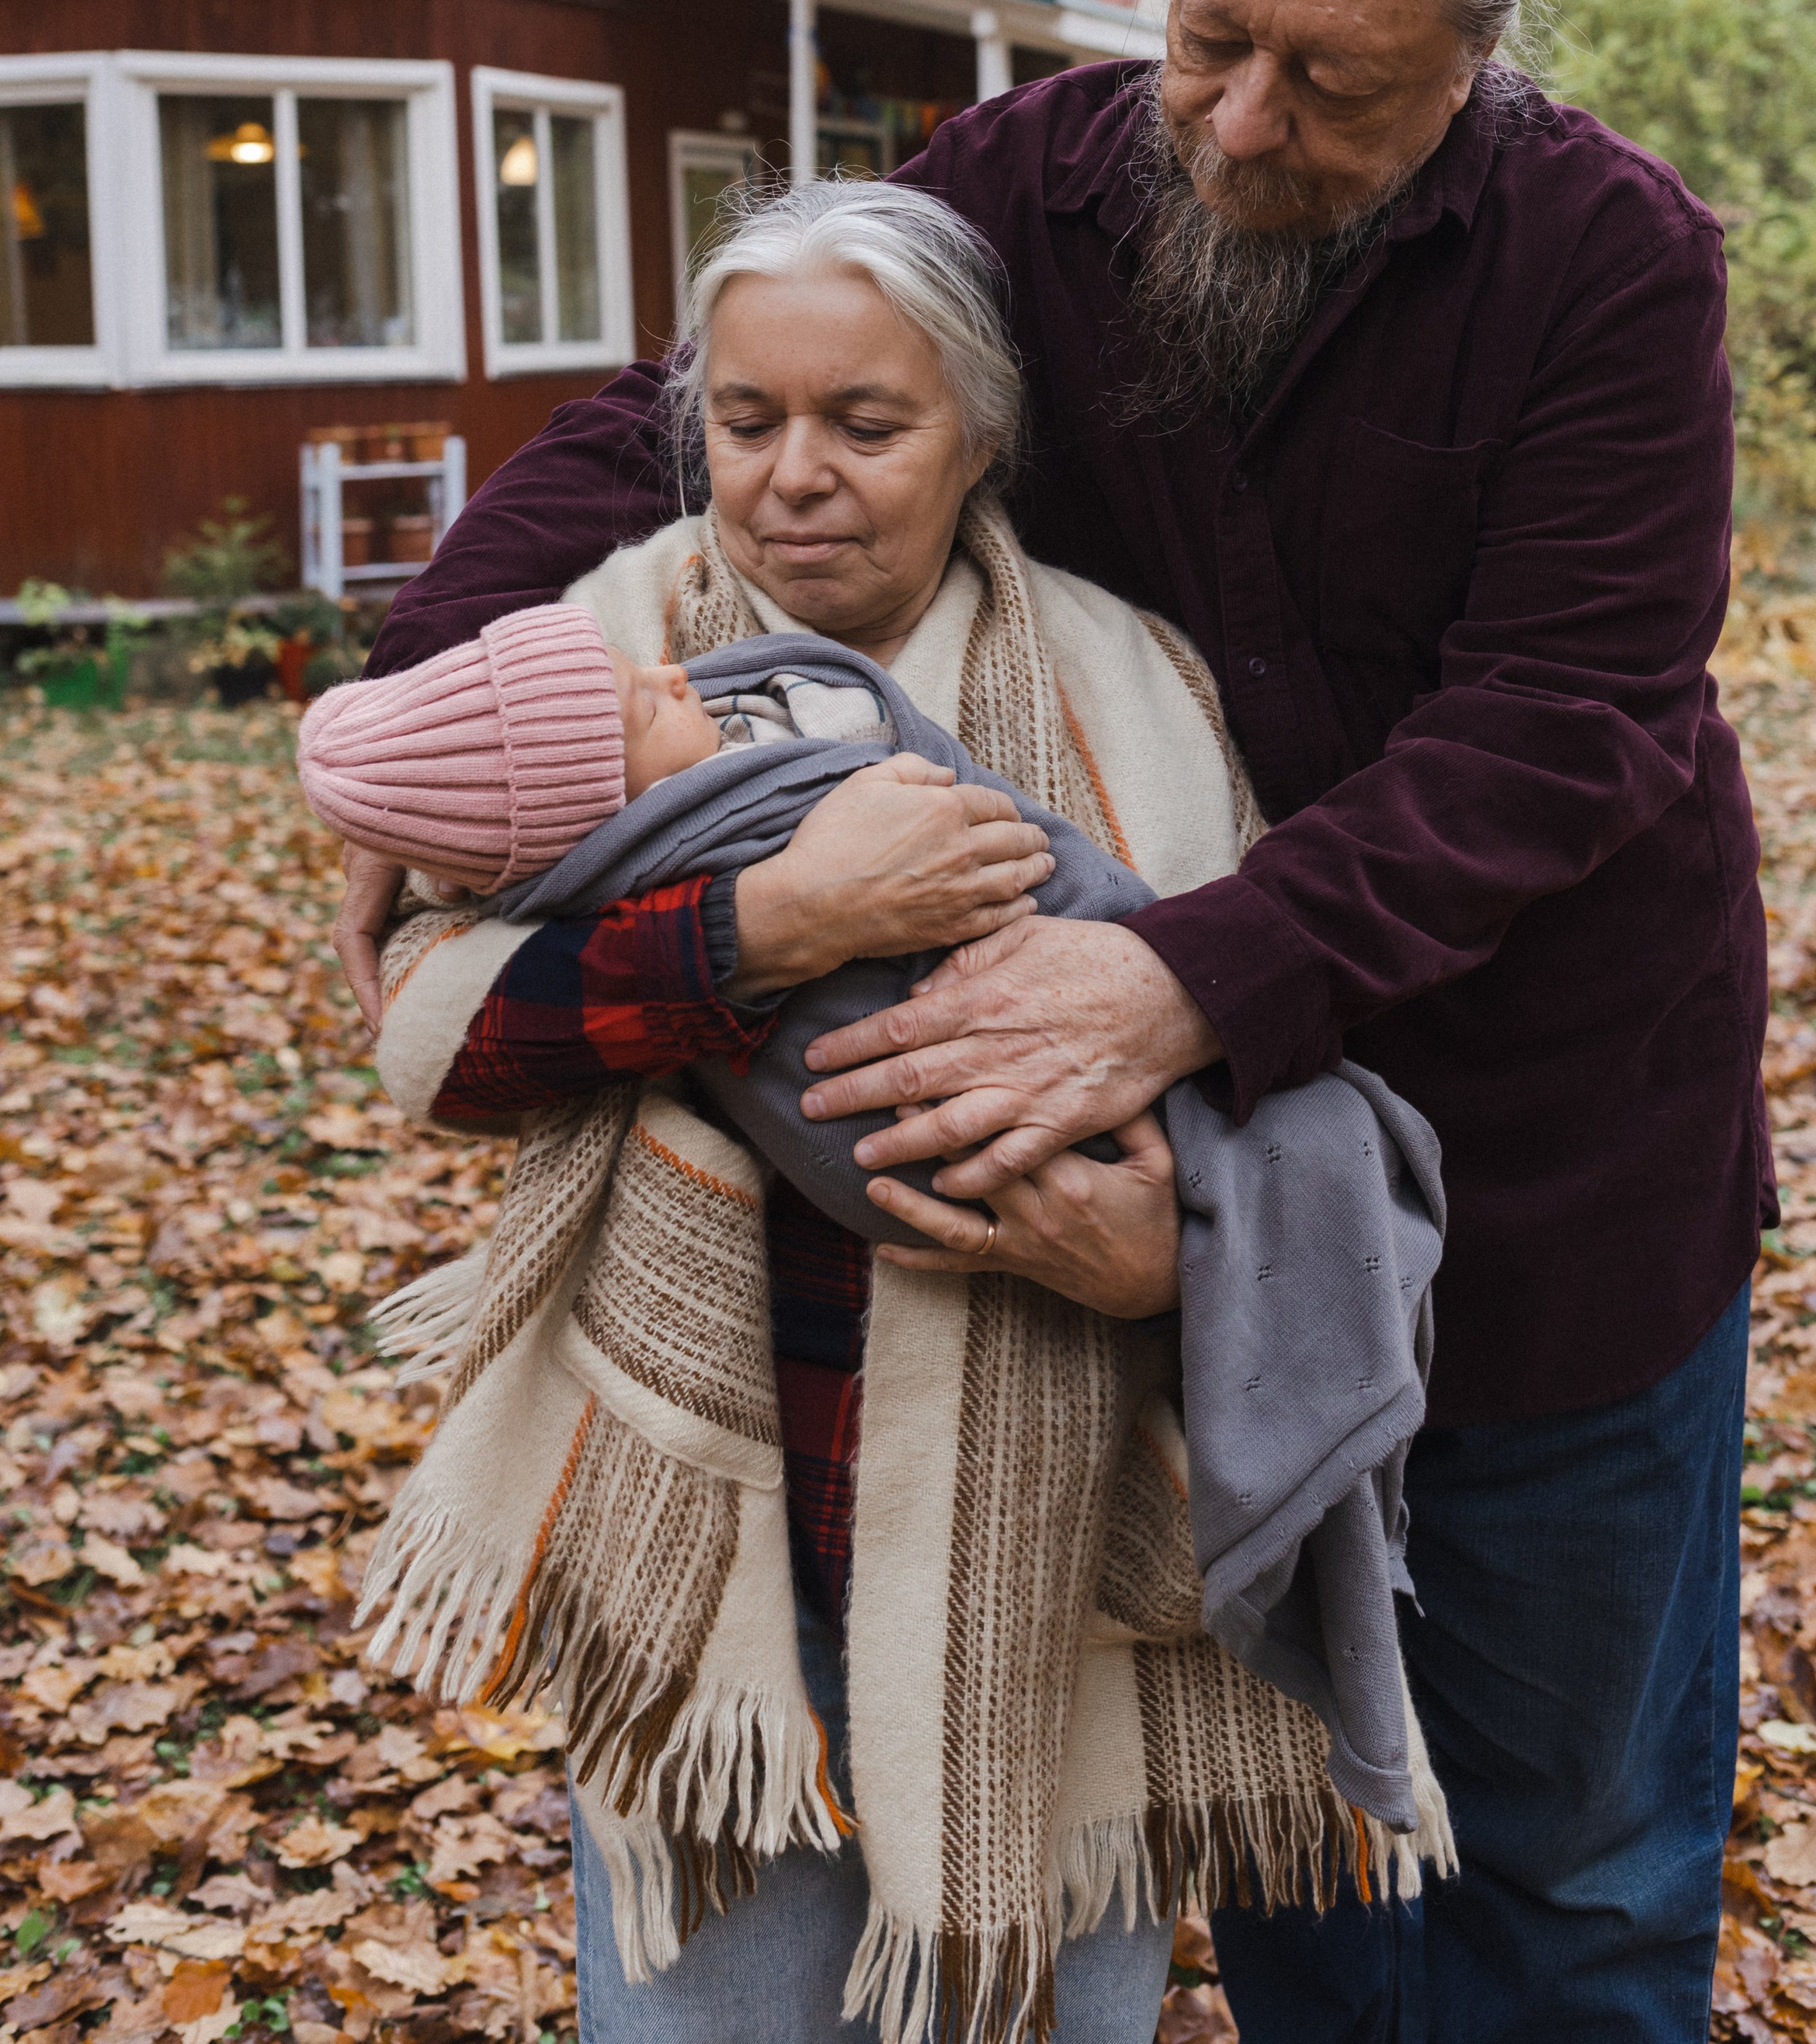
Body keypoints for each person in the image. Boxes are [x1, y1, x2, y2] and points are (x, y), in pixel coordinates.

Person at [349, 0, 1769, 2044]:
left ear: (1477, 64)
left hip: (1544, 1184)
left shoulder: (1607, 264)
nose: (1237, 126)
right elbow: (682, 407)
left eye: (1332, 83)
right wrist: (427, 722)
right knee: (1298, 1840)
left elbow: (1562, 727)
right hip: (1175, 1227)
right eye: (1210, 39)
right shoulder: (1030, 183)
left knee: (1571, 1865)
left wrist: (1170, 988)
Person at [346, 181, 1451, 2044]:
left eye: (868, 425)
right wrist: (771, 924)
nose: (796, 476)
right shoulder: (585, 662)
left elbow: (1267, 1097)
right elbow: (438, 1046)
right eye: (748, 420)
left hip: (1061, 1549)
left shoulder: (1138, 685)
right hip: (716, 1534)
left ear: (983, 437)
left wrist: (1159, 1268)